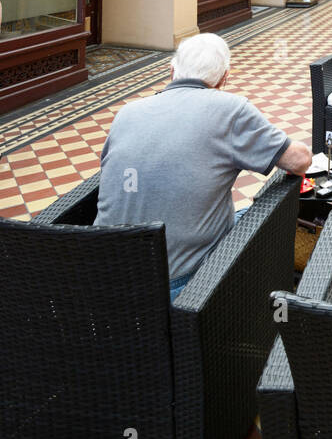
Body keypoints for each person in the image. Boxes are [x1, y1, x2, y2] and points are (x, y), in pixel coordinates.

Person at [95, 34, 312, 300]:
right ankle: (265, 307)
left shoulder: (127, 112)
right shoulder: (230, 109)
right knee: (267, 218)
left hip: (106, 274)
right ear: (224, 79)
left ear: (172, 71)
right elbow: (298, 161)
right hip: (182, 284)